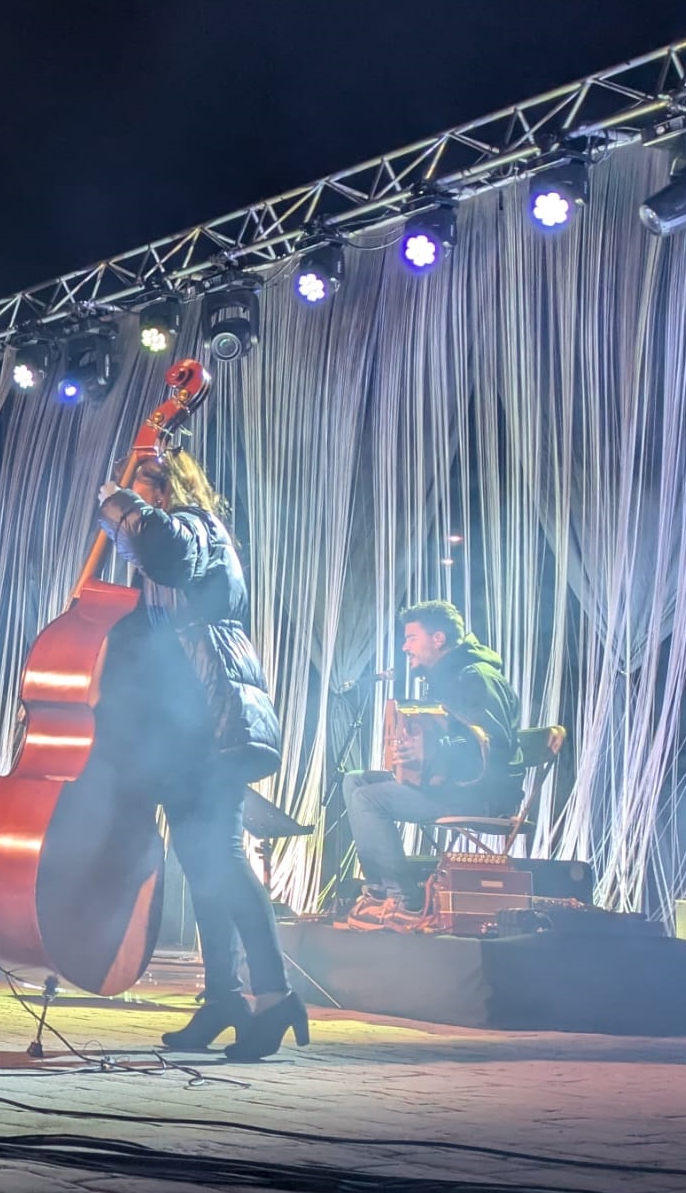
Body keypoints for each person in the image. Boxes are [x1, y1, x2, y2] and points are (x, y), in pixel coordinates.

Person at [94, 450, 302, 1062]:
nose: (129, 501)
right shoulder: (171, 550)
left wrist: (119, 503)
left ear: (165, 489)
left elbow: (165, 551)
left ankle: (274, 996)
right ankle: (224, 998)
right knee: (205, 867)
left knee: (223, 860)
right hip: (190, 728)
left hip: (213, 724)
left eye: (139, 488)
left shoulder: (196, 527)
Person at [343, 600, 523, 930]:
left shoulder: (475, 677)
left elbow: (493, 744)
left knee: (368, 799)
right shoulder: (447, 678)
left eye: (411, 638)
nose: (404, 647)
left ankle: (405, 901)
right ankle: (381, 892)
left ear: (438, 638)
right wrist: (418, 758)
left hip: (480, 795)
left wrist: (431, 754)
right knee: (354, 781)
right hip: (449, 787)